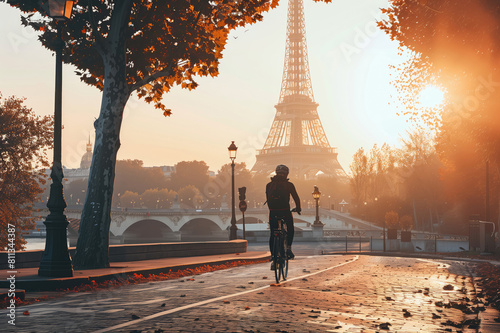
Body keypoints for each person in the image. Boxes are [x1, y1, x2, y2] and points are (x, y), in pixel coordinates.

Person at [265, 164, 301, 270]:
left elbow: (268, 200)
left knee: (273, 233)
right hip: (285, 211)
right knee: (290, 228)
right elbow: (296, 198)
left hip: (273, 212)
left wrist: (272, 210)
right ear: (286, 174)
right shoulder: (289, 185)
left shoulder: (268, 185)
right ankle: (289, 248)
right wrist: (298, 208)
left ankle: (273, 256)